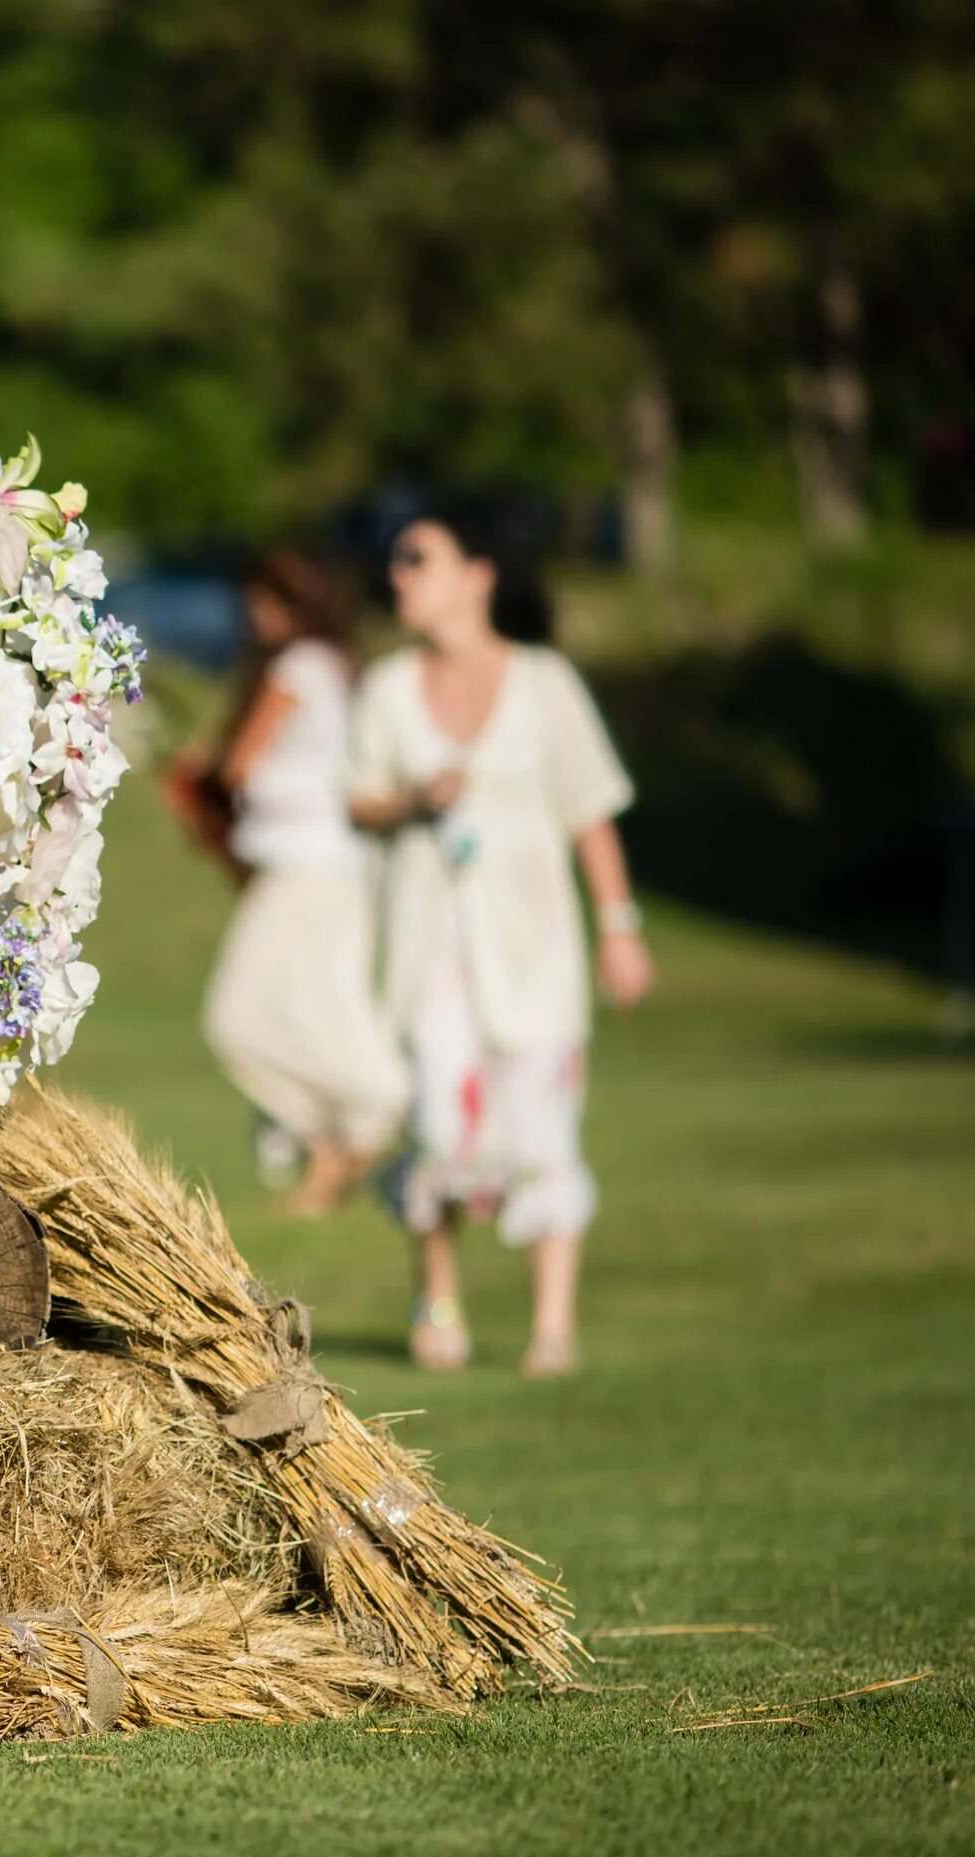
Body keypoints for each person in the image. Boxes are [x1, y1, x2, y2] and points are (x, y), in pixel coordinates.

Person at [348, 509, 653, 1376]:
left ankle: (552, 1328)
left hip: (534, 946)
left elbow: (590, 810)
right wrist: (414, 799)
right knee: (442, 1125)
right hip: (427, 949)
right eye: (395, 559)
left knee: (542, 1126)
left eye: (418, 557)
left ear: (478, 572)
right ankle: (437, 1298)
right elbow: (357, 800)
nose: (399, 573)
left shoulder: (545, 682)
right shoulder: (387, 688)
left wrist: (619, 927)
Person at [193, 551, 408, 1212]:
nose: (258, 618)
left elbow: (238, 767)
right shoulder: (347, 668)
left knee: (237, 1017)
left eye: (267, 603)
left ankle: (376, 1102)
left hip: (302, 864)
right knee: (326, 1003)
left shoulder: (296, 667)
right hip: (345, 863)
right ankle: (336, 1148)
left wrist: (196, 772)